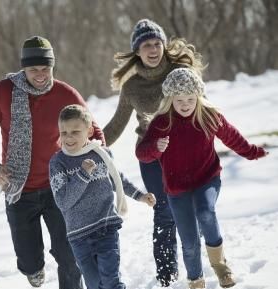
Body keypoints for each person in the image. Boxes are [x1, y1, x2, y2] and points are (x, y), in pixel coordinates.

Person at [0, 36, 105, 289]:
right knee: (29, 261)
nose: (41, 75)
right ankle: (34, 269)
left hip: (61, 188)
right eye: (34, 69)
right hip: (19, 190)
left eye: (46, 69)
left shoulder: (65, 93)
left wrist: (95, 160)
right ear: (24, 68)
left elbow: (95, 133)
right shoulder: (4, 92)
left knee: (69, 257)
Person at [136, 68, 268, 289]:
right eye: (179, 100)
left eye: (190, 98)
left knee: (206, 212)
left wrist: (253, 152)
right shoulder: (162, 122)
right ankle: (195, 280)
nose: (186, 104)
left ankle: (221, 267)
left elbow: (232, 138)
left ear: (198, 97)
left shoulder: (208, 116)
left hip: (207, 178)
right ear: (170, 99)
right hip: (176, 188)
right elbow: (142, 153)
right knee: (189, 242)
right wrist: (156, 149)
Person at [102, 18, 204, 286]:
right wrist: (90, 144)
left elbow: (201, 105)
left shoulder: (180, 72)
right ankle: (167, 278)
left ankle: (197, 269)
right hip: (151, 154)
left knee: (190, 208)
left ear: (163, 45)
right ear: (137, 50)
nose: (153, 49)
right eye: (146, 44)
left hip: (185, 150)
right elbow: (116, 125)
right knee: (164, 212)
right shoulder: (131, 86)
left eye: (157, 43)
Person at [49, 104, 156, 289]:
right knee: (94, 284)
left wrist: (140, 196)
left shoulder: (102, 154)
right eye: (64, 132)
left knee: (111, 281)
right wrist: (82, 175)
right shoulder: (58, 163)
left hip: (106, 228)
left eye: (75, 131)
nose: (68, 137)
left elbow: (117, 180)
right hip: (79, 236)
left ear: (89, 131)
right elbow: (63, 201)